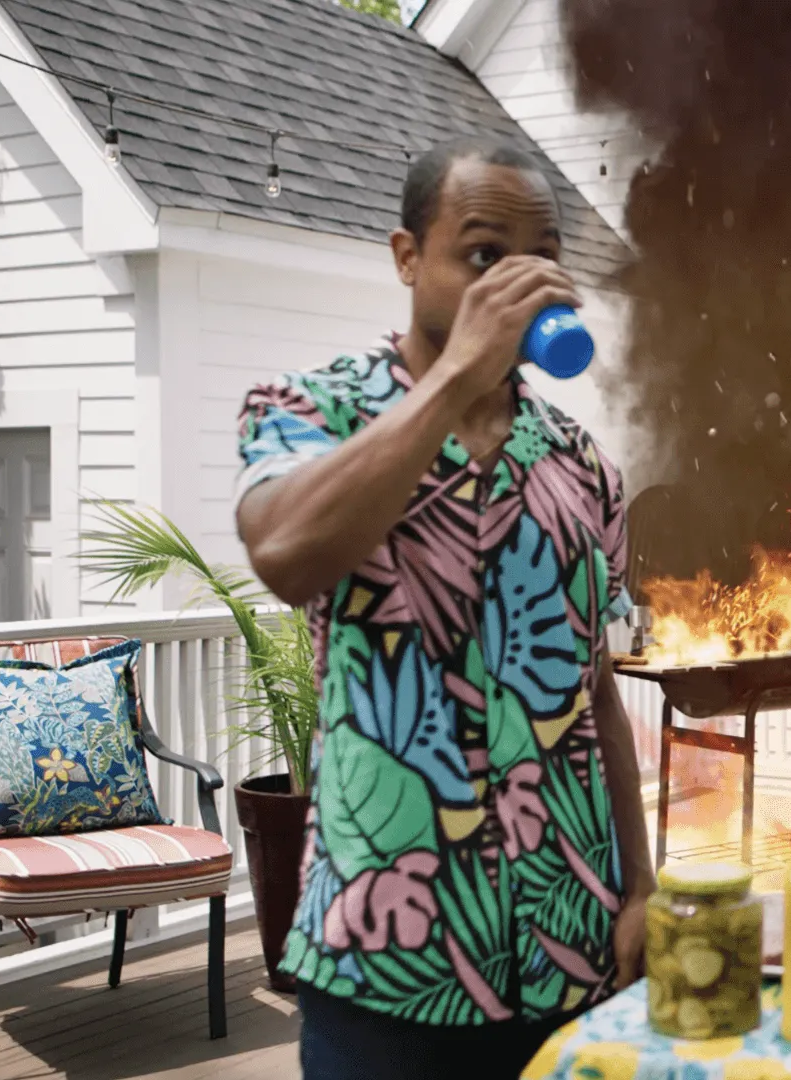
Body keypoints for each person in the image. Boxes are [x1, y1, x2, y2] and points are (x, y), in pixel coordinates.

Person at [233, 137, 652, 1079]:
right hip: (387, 966)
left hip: (569, 955)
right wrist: (457, 378)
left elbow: (596, 695)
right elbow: (286, 555)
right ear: (405, 257)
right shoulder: (311, 409)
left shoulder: (582, 465)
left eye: (541, 253)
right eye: (483, 253)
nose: (520, 279)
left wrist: (640, 888)